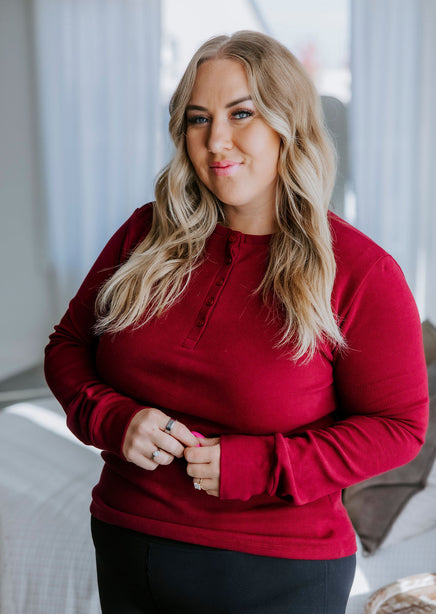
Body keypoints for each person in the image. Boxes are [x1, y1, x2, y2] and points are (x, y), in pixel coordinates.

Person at [44, 30, 429, 614]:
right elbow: (69, 345)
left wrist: (263, 465)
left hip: (279, 570)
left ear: (288, 124)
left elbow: (398, 427)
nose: (216, 140)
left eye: (241, 113)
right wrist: (111, 417)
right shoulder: (145, 233)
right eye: (198, 119)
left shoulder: (360, 271)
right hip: (127, 542)